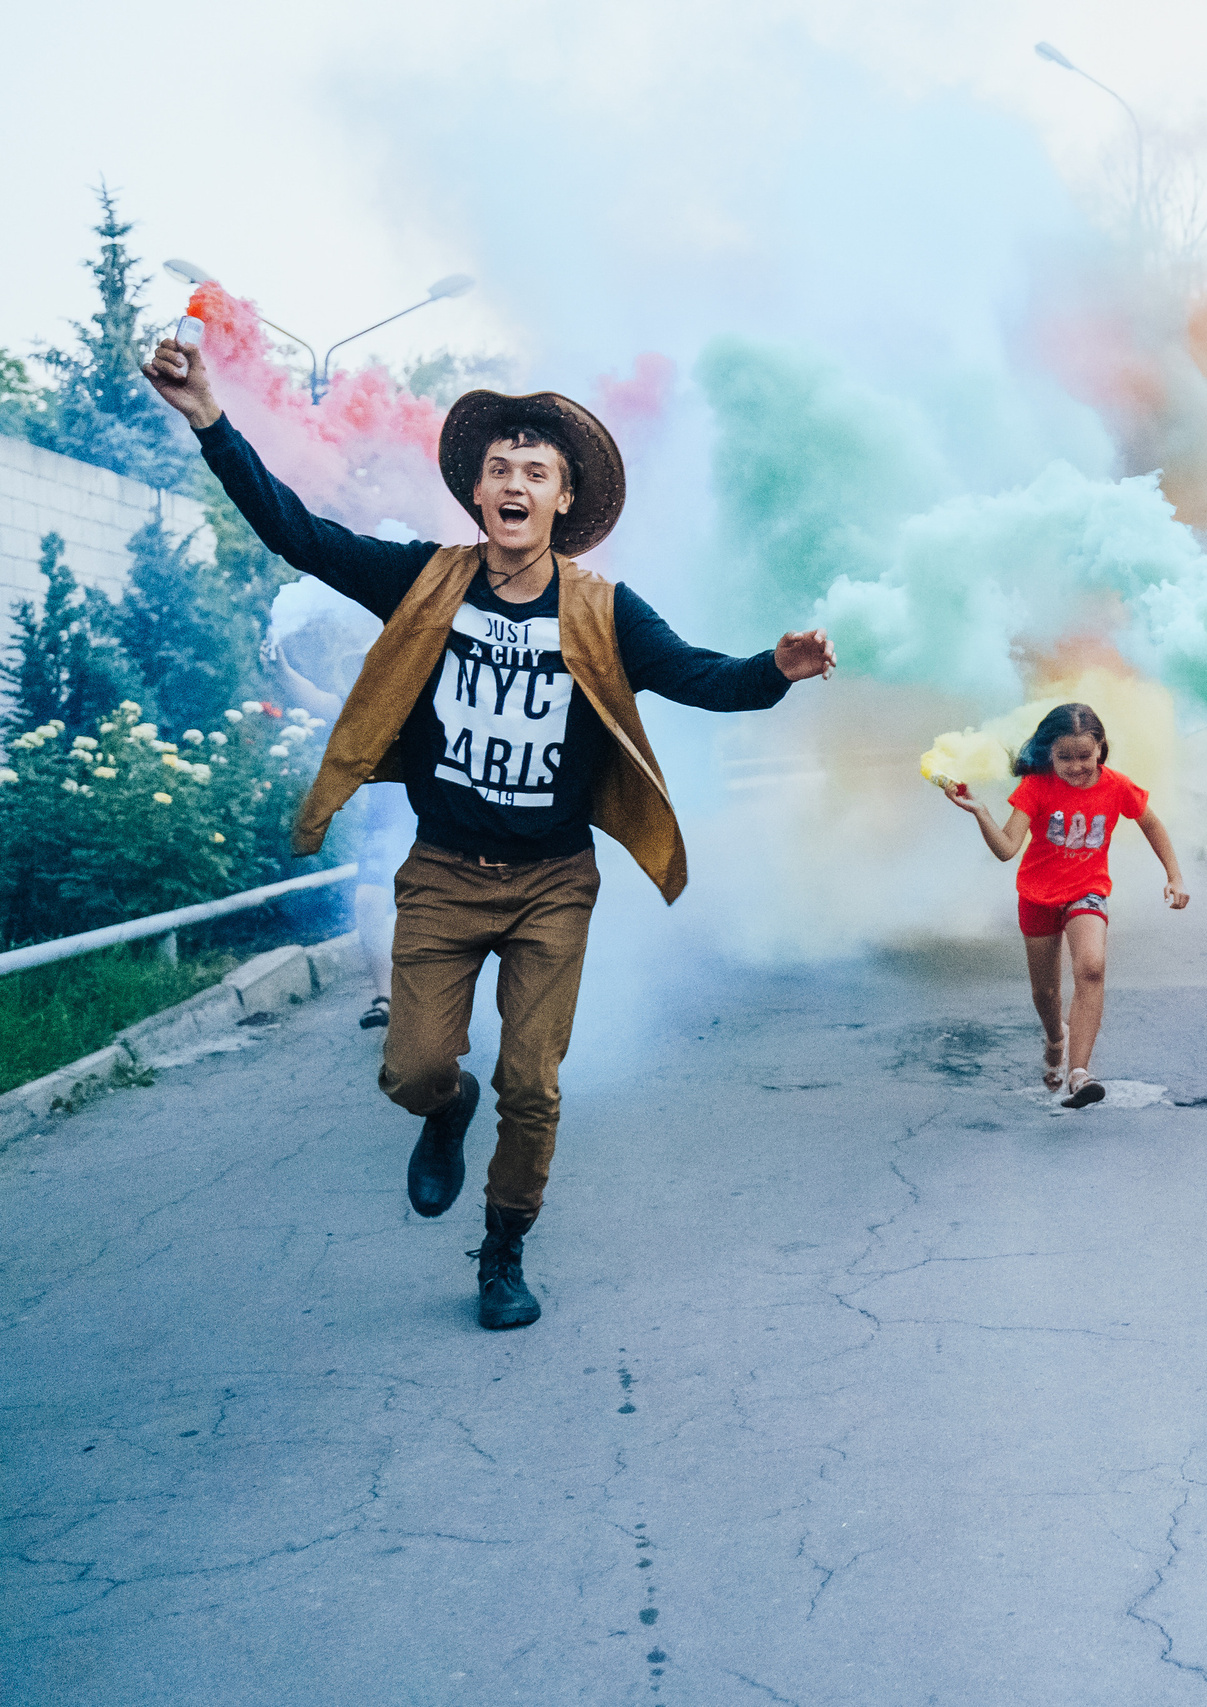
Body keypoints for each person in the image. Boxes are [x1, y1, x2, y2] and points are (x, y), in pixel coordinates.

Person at [143, 333, 835, 1331]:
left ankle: (503, 1249)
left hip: (554, 882)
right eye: (499, 469)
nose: (514, 482)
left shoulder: (602, 611)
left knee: (533, 1084)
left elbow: (701, 678)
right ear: (478, 494)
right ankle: (445, 1112)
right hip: (442, 876)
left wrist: (775, 666)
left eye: (535, 472)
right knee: (417, 1068)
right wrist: (211, 416)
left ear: (562, 502)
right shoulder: (427, 581)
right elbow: (296, 532)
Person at [943, 703, 1188, 1108]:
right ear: (1048, 754)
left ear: (1100, 749)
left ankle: (1080, 1073)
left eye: (1085, 756)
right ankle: (1056, 1037)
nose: (1076, 766)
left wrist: (1174, 875)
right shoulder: (1036, 788)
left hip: (1087, 890)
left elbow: (1151, 823)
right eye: (1064, 758)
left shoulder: (1116, 785)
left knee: (1091, 967)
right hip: (1037, 895)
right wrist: (980, 812)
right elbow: (1007, 849)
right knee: (1046, 992)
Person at [264, 589, 415, 1030]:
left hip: (442, 820)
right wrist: (281, 667)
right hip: (387, 822)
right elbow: (318, 700)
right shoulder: (366, 710)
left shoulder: (439, 700)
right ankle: (384, 999)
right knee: (369, 900)